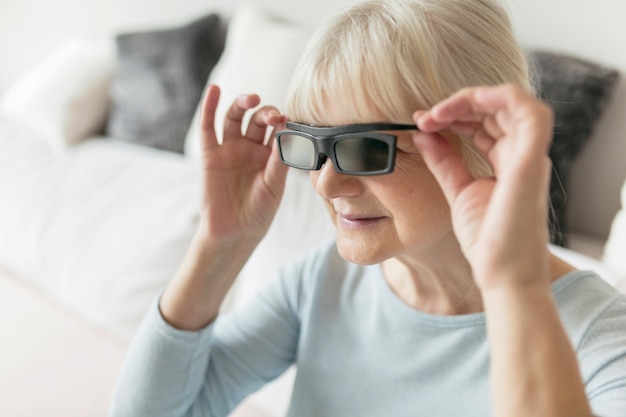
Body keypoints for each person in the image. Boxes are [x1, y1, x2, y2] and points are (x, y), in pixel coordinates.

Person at [110, 0, 626, 416]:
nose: (327, 184)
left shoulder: (601, 340)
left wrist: (513, 284)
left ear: (478, 144)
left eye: (364, 147)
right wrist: (219, 245)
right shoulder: (321, 282)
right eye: (312, 144)